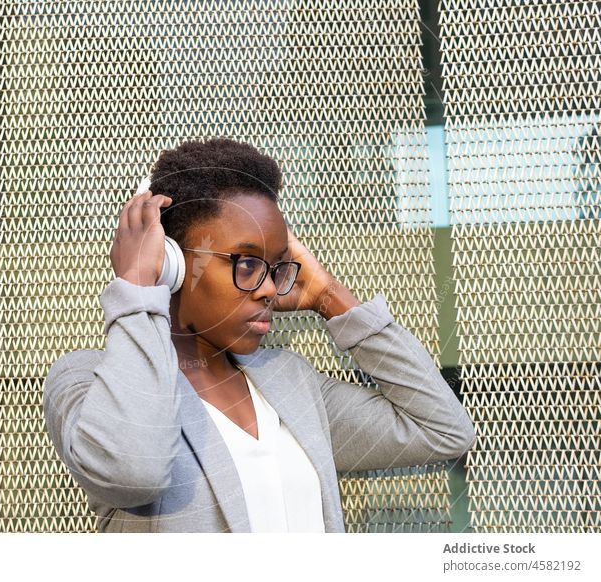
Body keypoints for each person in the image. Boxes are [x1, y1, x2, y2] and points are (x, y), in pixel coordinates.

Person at [42, 137, 476, 533]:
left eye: (277, 266)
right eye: (247, 263)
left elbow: (442, 430)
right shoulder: (89, 382)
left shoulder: (290, 382)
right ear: (171, 262)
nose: (270, 287)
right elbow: (134, 472)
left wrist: (329, 296)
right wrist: (138, 288)